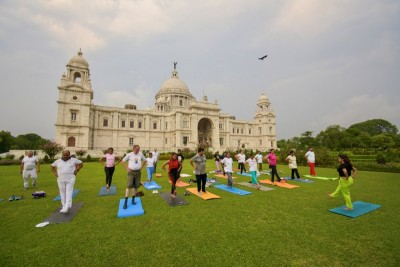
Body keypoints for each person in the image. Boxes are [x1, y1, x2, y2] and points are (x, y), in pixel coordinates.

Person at [121, 145, 146, 209]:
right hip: (131, 172)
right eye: (137, 149)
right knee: (129, 186)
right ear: (133, 149)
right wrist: (127, 168)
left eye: (139, 149)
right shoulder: (130, 154)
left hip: (138, 172)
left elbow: (145, 160)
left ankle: (133, 200)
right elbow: (123, 161)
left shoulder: (140, 154)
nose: (138, 150)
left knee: (136, 186)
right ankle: (125, 202)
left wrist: (141, 167)